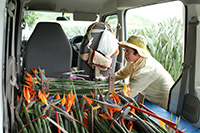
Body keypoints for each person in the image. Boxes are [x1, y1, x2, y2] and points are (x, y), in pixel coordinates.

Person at [115, 35, 174, 109]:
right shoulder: (133, 61)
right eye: (124, 50)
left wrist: (109, 99)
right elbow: (122, 73)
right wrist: (108, 79)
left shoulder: (147, 69)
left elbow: (129, 93)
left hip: (160, 105)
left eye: (127, 51)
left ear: (138, 53)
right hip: (146, 96)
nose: (125, 53)